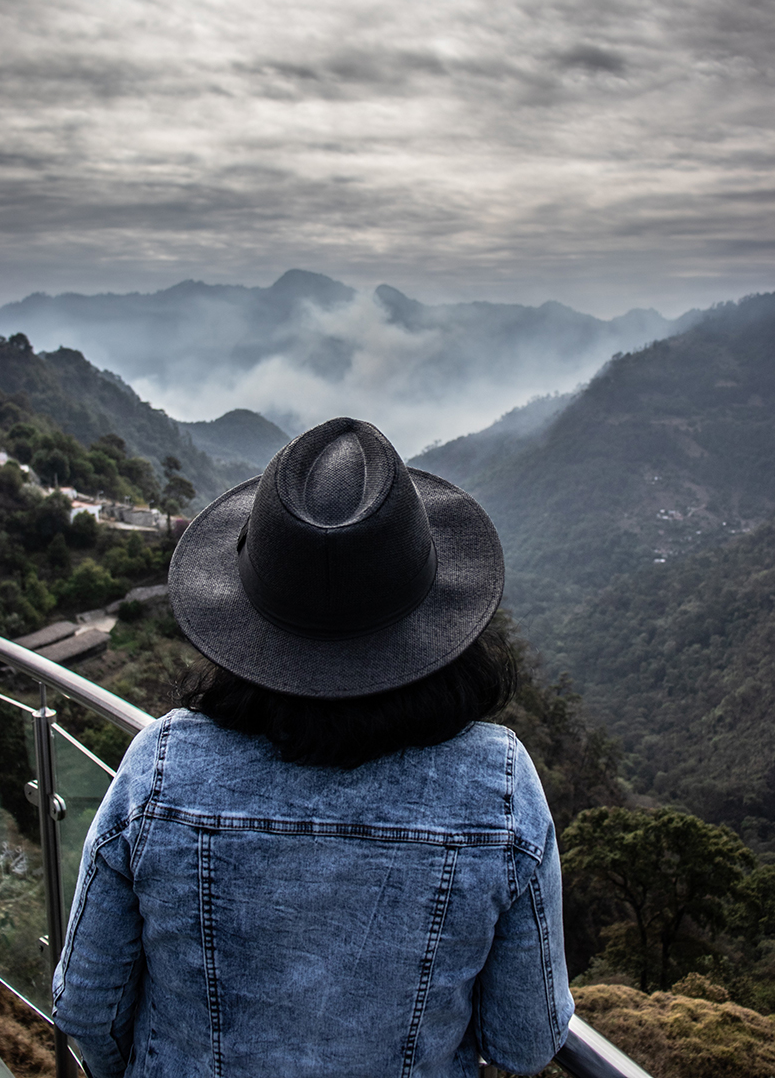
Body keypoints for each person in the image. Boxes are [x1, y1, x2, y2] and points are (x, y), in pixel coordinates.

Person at [53, 416, 574, 1077]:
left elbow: (88, 1008)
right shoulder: (499, 788)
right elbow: (525, 1039)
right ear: (434, 618)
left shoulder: (160, 770)